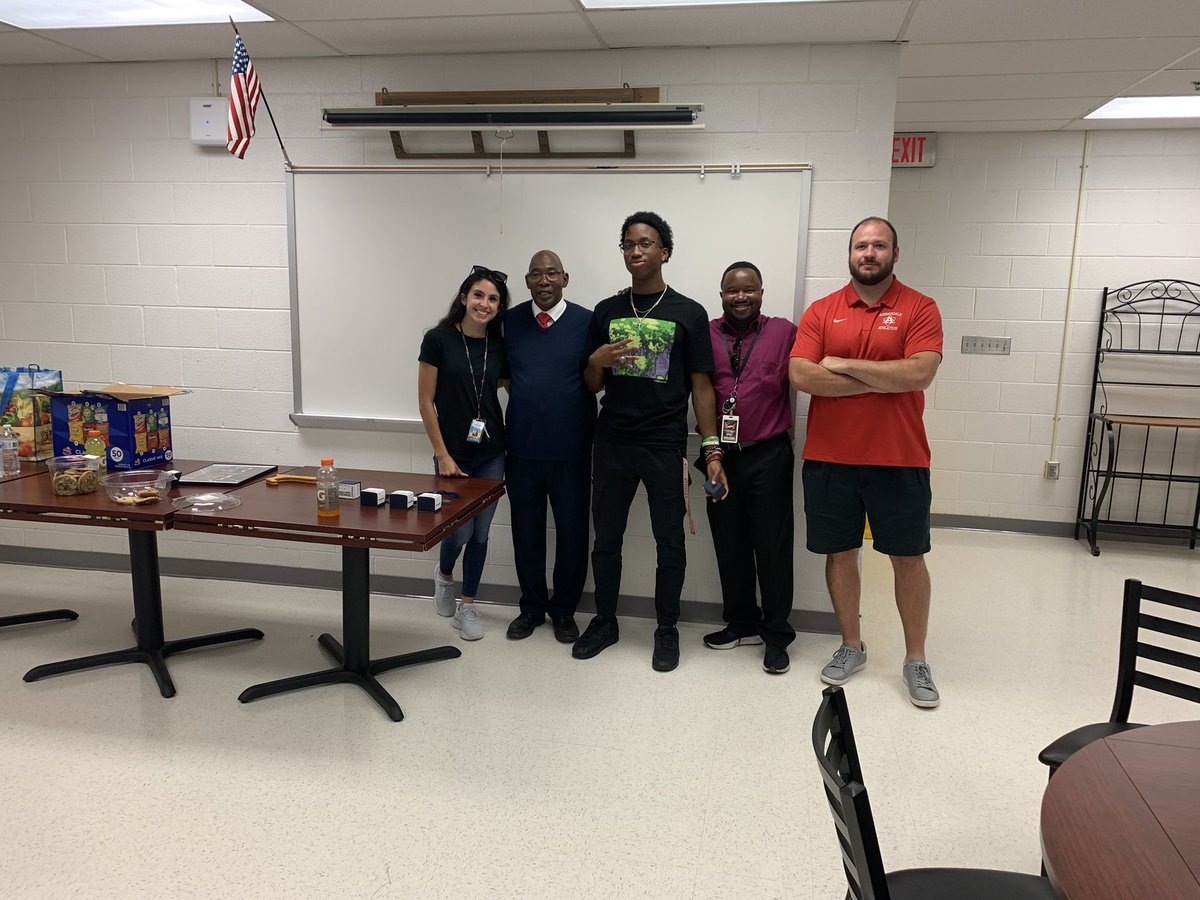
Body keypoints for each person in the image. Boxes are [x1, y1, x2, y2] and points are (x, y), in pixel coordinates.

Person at [788, 216, 944, 707]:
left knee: (907, 557)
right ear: (850, 254)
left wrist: (846, 365)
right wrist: (883, 379)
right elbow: (802, 375)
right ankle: (851, 646)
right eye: (860, 246)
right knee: (840, 553)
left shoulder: (921, 307)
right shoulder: (822, 310)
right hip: (830, 459)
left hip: (899, 458)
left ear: (895, 254)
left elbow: (919, 373)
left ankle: (915, 659)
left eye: (879, 245)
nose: (869, 253)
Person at [573, 211, 728, 672]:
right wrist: (596, 360)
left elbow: (702, 386)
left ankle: (666, 628)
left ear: (664, 251)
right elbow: (591, 384)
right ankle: (605, 621)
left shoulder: (689, 312)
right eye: (627, 244)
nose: (635, 251)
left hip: (664, 445)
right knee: (607, 540)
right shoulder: (606, 310)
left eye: (645, 243)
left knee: (670, 543)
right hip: (613, 440)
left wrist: (712, 448)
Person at [701, 261, 796, 675]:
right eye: (732, 291)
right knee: (730, 543)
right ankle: (740, 623)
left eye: (749, 290)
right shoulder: (704, 334)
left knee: (773, 548)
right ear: (721, 294)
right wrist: (711, 454)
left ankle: (776, 635)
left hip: (769, 454)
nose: (741, 297)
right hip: (721, 456)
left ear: (761, 292)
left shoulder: (785, 332)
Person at [503, 250, 596, 644]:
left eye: (552, 273)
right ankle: (531, 608)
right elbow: (507, 377)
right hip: (522, 448)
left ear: (565, 279)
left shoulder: (587, 322)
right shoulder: (509, 321)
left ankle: (564, 611)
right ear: (526, 281)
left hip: (572, 449)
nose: (544, 280)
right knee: (526, 532)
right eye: (536, 274)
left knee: (573, 533)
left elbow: (595, 380)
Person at [417, 265, 510, 641]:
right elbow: (425, 401)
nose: (483, 304)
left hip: (491, 453)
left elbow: (515, 388)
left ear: (499, 307)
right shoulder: (438, 340)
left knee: (482, 532)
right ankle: (444, 576)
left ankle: (467, 605)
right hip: (451, 455)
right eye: (478, 295)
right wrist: (441, 454)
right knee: (458, 531)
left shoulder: (499, 345)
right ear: (463, 298)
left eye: (492, 299)